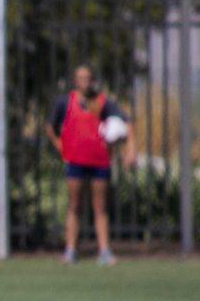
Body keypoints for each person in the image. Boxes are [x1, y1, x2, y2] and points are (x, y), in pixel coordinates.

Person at [44, 65, 137, 266]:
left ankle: (104, 251)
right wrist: (61, 146)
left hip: (100, 160)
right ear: (75, 80)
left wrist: (131, 149)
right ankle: (70, 250)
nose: (85, 81)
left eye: (88, 77)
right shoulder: (65, 102)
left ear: (93, 80)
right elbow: (50, 127)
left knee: (100, 206)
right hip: (76, 160)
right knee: (74, 205)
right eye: (81, 77)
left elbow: (127, 123)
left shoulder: (103, 102)